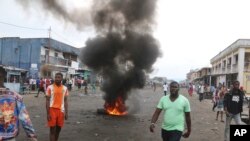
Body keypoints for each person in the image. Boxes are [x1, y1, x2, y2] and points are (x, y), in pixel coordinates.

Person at [0, 67, 38, 141]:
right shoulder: (15, 96)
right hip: (9, 135)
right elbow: (25, 118)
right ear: (4, 76)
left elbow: (25, 118)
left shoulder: (15, 96)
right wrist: (31, 135)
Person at [46, 72, 69, 141]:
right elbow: (47, 100)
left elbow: (65, 101)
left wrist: (66, 113)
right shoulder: (50, 87)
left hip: (61, 111)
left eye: (59, 77)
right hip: (52, 110)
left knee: (58, 130)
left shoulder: (65, 88)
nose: (57, 79)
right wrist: (48, 113)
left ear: (62, 78)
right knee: (52, 130)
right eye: (56, 77)